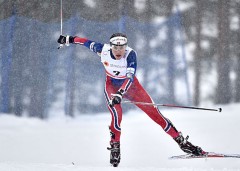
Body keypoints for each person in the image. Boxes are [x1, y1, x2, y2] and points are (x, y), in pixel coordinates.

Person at [57, 33, 206, 167]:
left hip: (132, 88)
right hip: (111, 87)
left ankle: (183, 143)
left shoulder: (131, 55)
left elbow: (130, 77)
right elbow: (83, 41)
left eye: (122, 48)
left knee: (157, 116)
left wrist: (121, 93)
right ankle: (115, 148)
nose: (119, 51)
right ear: (111, 47)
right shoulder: (102, 49)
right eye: (116, 48)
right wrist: (68, 39)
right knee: (117, 116)